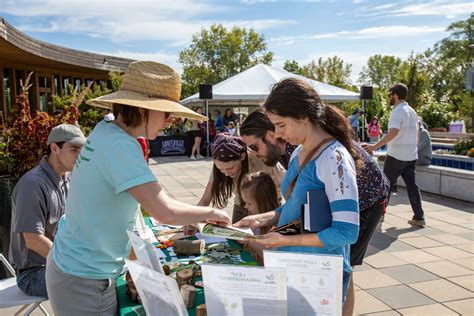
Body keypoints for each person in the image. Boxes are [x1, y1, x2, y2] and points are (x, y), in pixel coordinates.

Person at [45, 61, 230, 315]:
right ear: (144, 109)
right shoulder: (121, 145)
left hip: (78, 267)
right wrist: (210, 213)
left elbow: (157, 196)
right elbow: (164, 212)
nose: (170, 120)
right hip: (85, 276)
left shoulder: (107, 131)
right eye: (165, 113)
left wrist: (202, 211)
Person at [235, 78, 361, 303]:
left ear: (304, 116)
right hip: (298, 267)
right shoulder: (298, 152)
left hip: (318, 273)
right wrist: (258, 219)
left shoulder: (334, 159)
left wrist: (282, 240)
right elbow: (296, 208)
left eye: (281, 125)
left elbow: (346, 232)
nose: (279, 134)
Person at [9, 124, 86, 298]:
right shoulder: (32, 185)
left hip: (62, 261)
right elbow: (33, 240)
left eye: (83, 149)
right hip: (33, 273)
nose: (80, 155)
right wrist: (74, 263)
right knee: (92, 284)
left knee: (110, 271)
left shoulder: (69, 177)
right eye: (74, 149)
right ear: (54, 148)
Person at [364, 83, 425, 227]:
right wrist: (414, 147)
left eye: (389, 95)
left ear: (396, 95)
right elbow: (417, 133)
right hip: (411, 156)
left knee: (385, 186)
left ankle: (379, 216)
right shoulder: (412, 111)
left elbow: (393, 132)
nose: (389, 98)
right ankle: (419, 217)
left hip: (396, 156)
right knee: (412, 186)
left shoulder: (397, 111)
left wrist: (374, 146)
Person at [196, 133, 285, 224]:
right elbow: (205, 199)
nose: (226, 173)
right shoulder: (221, 166)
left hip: (267, 205)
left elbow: (287, 183)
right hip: (241, 204)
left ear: (242, 156)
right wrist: (194, 219)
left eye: (230, 168)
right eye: (221, 169)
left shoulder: (262, 159)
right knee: (236, 234)